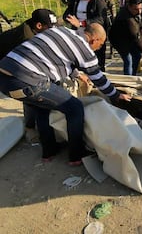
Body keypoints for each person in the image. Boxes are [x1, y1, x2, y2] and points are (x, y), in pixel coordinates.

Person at [0, 23, 131, 165]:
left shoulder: (61, 31)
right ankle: (76, 155)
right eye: (100, 45)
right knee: (74, 108)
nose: (98, 48)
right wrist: (116, 95)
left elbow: (57, 56)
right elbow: (98, 78)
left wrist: (78, 75)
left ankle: (49, 152)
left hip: (5, 77)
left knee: (43, 108)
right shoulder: (85, 50)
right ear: (94, 40)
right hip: (28, 80)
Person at [0, 8, 57, 143]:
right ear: (39, 26)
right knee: (29, 92)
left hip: (11, 60)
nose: (53, 31)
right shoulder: (27, 39)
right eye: (50, 28)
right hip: (6, 63)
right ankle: (30, 128)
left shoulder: (34, 27)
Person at [63, 0, 109, 71]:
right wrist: (69, 18)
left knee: (97, 64)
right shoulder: (75, 0)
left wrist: (81, 24)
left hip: (93, 37)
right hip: (77, 37)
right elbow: (67, 14)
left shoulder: (98, 1)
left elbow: (100, 19)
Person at [109, 0, 142, 75]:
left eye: (140, 8)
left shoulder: (133, 13)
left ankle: (133, 75)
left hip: (128, 38)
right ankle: (128, 79)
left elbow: (138, 28)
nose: (139, 11)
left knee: (137, 56)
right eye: (136, 9)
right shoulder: (126, 18)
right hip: (119, 40)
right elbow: (135, 37)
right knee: (128, 60)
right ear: (129, 7)